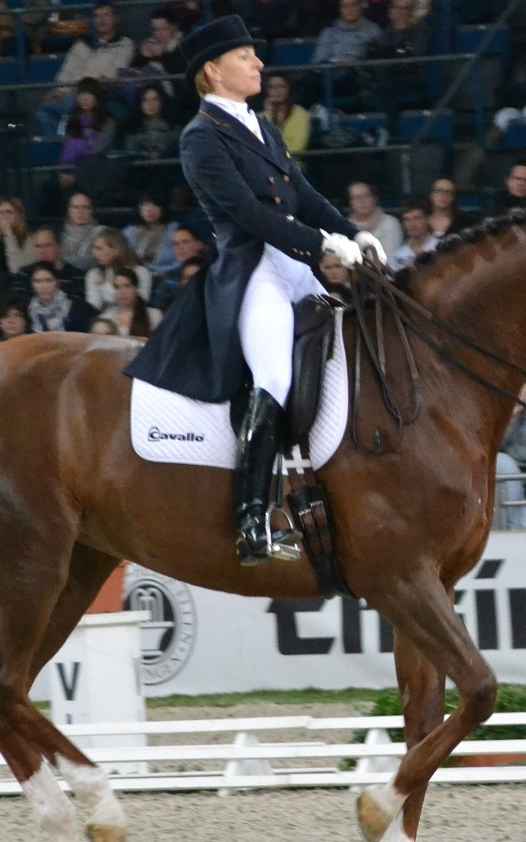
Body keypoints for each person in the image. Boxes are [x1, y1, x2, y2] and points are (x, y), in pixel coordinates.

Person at [125, 15, 384, 566]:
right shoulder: (200, 137)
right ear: (214, 71)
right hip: (255, 271)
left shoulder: (261, 126)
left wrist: (354, 232)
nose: (259, 64)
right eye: (247, 57)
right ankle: (251, 520)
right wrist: (323, 245)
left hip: (294, 262)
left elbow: (306, 194)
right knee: (274, 375)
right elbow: (247, 215)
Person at [34, 2, 135, 137]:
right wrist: (59, 90)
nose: (101, 20)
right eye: (97, 16)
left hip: (100, 96)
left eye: (106, 15)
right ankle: (61, 148)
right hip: (72, 95)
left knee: (71, 106)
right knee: (43, 112)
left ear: (116, 18)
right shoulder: (82, 44)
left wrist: (85, 91)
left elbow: (114, 74)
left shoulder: (125, 45)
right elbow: (68, 71)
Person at [55, 78, 117, 202]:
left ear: (97, 98)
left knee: (91, 162)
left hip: (96, 168)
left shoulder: (108, 121)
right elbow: (65, 144)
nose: (84, 99)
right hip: (69, 167)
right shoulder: (70, 121)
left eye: (89, 95)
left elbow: (98, 149)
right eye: (81, 95)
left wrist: (76, 176)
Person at [12, 226, 86, 305]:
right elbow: (18, 302)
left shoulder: (77, 276)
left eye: (48, 245)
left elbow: (76, 305)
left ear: (59, 247)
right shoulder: (25, 274)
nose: (43, 250)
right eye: (38, 246)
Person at [85, 228, 152, 313]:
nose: (94, 253)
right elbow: (93, 306)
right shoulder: (94, 274)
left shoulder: (140, 272)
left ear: (116, 249)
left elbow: (142, 302)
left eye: (99, 248)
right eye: (94, 248)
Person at [150, 226, 209, 310]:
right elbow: (159, 309)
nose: (179, 248)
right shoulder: (169, 278)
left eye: (185, 242)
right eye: (176, 244)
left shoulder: (212, 272)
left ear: (199, 244)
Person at [0, 196, 37, 276]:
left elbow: (18, 269)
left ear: (19, 215)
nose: (3, 216)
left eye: (9, 212)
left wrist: (9, 236)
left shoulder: (30, 238)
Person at [121, 192, 179, 274]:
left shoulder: (175, 230)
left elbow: (182, 260)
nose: (149, 209)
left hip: (171, 277)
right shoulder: (129, 231)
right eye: (145, 205)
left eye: (155, 205)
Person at [28, 264, 94, 333]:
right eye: (38, 281)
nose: (44, 286)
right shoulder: (30, 310)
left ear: (57, 282)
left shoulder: (76, 305)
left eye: (49, 280)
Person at [98, 266, 163, 337]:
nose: (122, 292)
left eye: (127, 286)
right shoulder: (106, 318)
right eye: (117, 287)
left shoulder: (154, 316)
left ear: (136, 289)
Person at [122, 84, 181, 159]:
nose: (150, 104)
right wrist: (148, 156)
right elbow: (131, 151)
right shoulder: (133, 126)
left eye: (155, 99)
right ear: (140, 103)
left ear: (162, 102)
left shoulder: (173, 126)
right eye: (145, 100)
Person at [347, 181, 403, 261]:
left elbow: (391, 258)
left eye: (366, 196)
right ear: (350, 203)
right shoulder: (346, 227)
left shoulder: (390, 223)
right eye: (356, 198)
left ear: (375, 198)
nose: (362, 201)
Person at [260, 74, 311, 156]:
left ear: (289, 89)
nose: (277, 91)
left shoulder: (301, 114)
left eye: (281, 86)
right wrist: (268, 114)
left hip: (293, 166)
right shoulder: (260, 117)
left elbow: (296, 148)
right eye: (272, 87)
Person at [60, 192, 107, 270]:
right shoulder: (58, 235)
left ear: (92, 210)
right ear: (69, 211)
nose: (80, 212)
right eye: (75, 207)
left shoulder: (104, 233)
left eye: (85, 207)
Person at [390, 199, 438, 271]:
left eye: (417, 218)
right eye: (407, 220)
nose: (412, 224)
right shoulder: (398, 255)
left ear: (428, 220)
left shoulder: (440, 249)